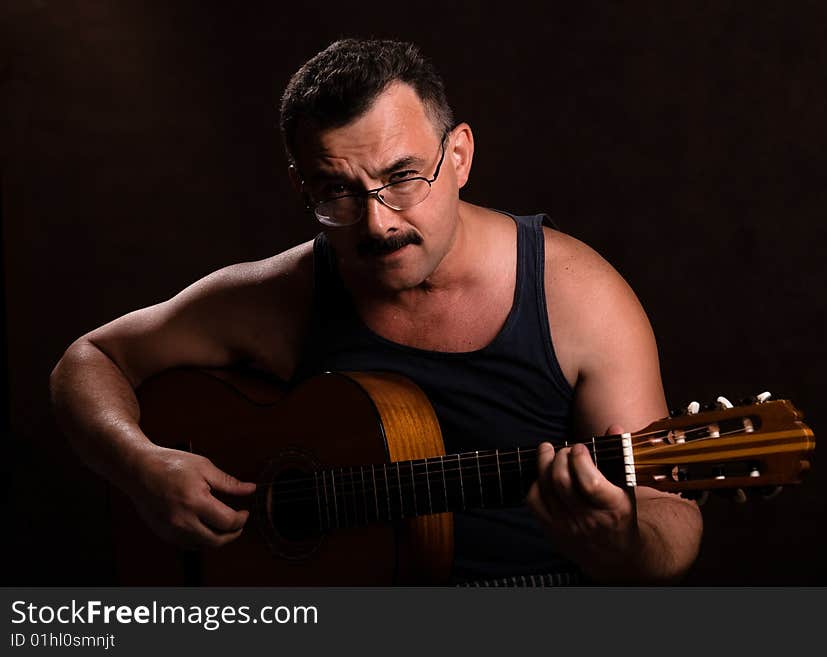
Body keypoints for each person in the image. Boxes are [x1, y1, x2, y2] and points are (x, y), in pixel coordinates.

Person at [49, 38, 702, 585]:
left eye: (402, 177)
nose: (377, 222)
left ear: (461, 157)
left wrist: (622, 539)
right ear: (301, 186)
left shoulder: (574, 292)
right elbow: (89, 359)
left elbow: (671, 510)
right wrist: (139, 465)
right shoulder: (286, 294)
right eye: (337, 190)